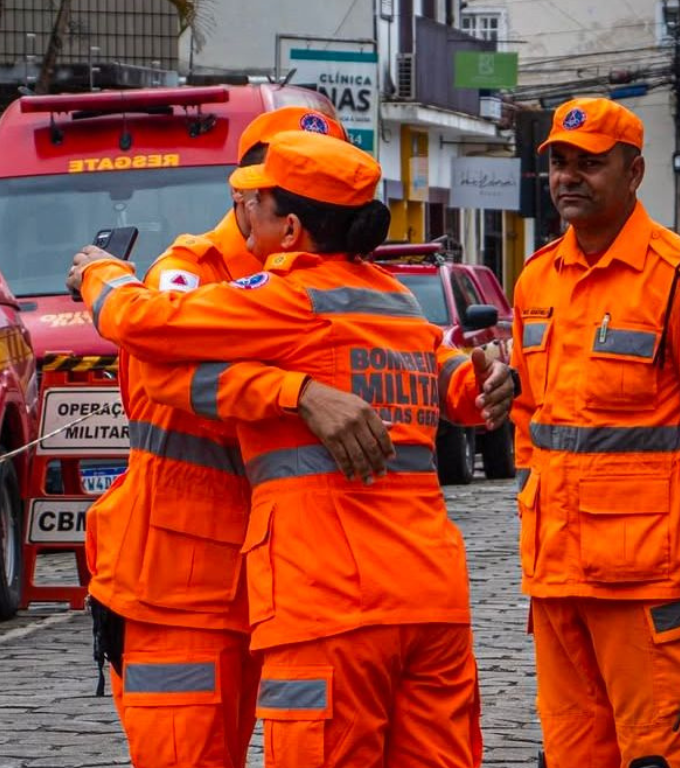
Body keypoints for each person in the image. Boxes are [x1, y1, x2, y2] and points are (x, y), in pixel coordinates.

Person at [70, 130, 512, 768]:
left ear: (291, 222)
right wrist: (294, 391)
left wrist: (101, 273)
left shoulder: (286, 293)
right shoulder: (388, 297)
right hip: (373, 587)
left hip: (322, 591)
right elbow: (442, 376)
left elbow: (142, 331)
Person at [510, 97, 680, 767]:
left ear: (634, 171)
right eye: (560, 162)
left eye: (590, 164)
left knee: (657, 755)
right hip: (557, 577)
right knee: (570, 756)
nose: (569, 177)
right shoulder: (536, 281)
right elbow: (529, 417)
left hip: (648, 580)